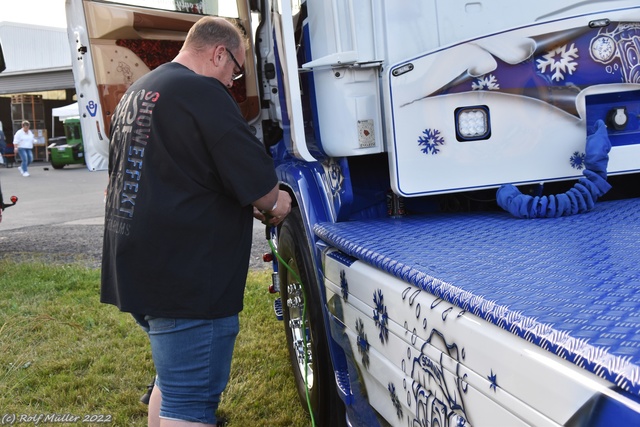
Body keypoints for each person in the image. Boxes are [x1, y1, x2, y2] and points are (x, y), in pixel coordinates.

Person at [101, 16, 291, 427]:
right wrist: (281, 201)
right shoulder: (201, 92)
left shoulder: (141, 89)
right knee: (188, 400)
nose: (231, 83)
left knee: (171, 383)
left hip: (138, 269)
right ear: (219, 52)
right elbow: (265, 194)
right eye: (235, 71)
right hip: (185, 277)